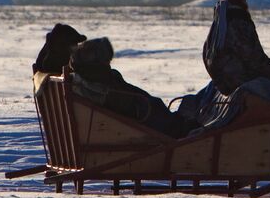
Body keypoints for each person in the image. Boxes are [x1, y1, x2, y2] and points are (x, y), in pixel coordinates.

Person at [68, 37, 197, 138]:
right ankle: (183, 129)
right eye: (107, 60)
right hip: (131, 123)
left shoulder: (82, 77)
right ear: (98, 61)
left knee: (156, 106)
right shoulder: (99, 80)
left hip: (125, 117)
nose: (108, 63)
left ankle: (181, 125)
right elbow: (123, 101)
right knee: (155, 107)